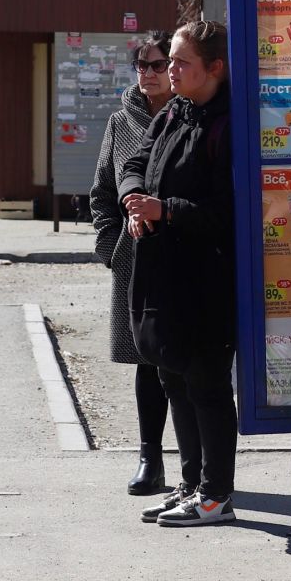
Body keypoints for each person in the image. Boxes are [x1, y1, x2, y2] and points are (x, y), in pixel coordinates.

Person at [119, 21, 239, 527]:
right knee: (175, 379)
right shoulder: (174, 111)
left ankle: (216, 495)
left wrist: (165, 209)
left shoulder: (227, 124)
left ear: (214, 68)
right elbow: (136, 160)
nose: (169, 70)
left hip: (206, 280)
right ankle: (191, 483)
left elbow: (228, 211)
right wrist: (132, 200)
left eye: (180, 62)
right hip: (163, 272)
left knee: (207, 386)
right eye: (168, 60)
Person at [90, 31, 176, 495]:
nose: (149, 74)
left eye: (157, 65)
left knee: (184, 361)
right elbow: (102, 188)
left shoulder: (189, 113)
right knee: (146, 359)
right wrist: (111, 246)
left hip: (185, 254)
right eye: (141, 66)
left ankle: (199, 467)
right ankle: (150, 458)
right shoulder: (121, 120)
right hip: (134, 260)